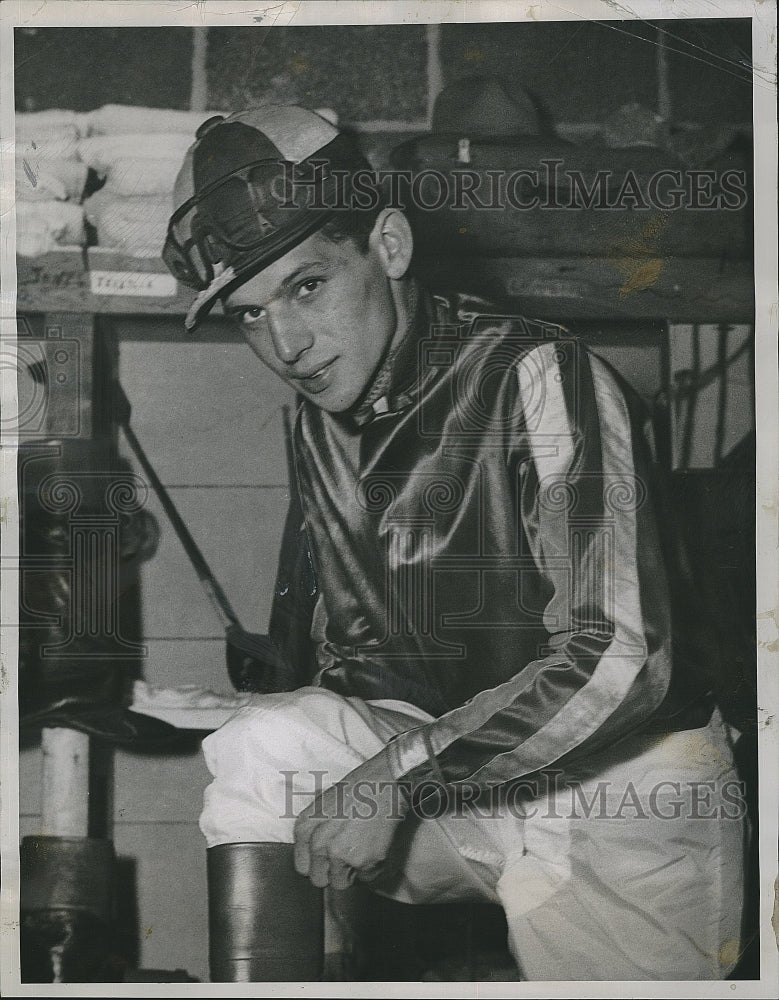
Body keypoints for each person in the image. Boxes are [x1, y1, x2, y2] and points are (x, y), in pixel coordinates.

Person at [162, 106, 747, 982]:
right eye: (249, 316)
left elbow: (620, 659)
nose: (283, 342)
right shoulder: (320, 423)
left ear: (389, 246)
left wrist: (394, 781)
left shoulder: (540, 375)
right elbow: (352, 666)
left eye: (306, 286)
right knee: (261, 747)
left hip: (623, 790)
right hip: (460, 774)